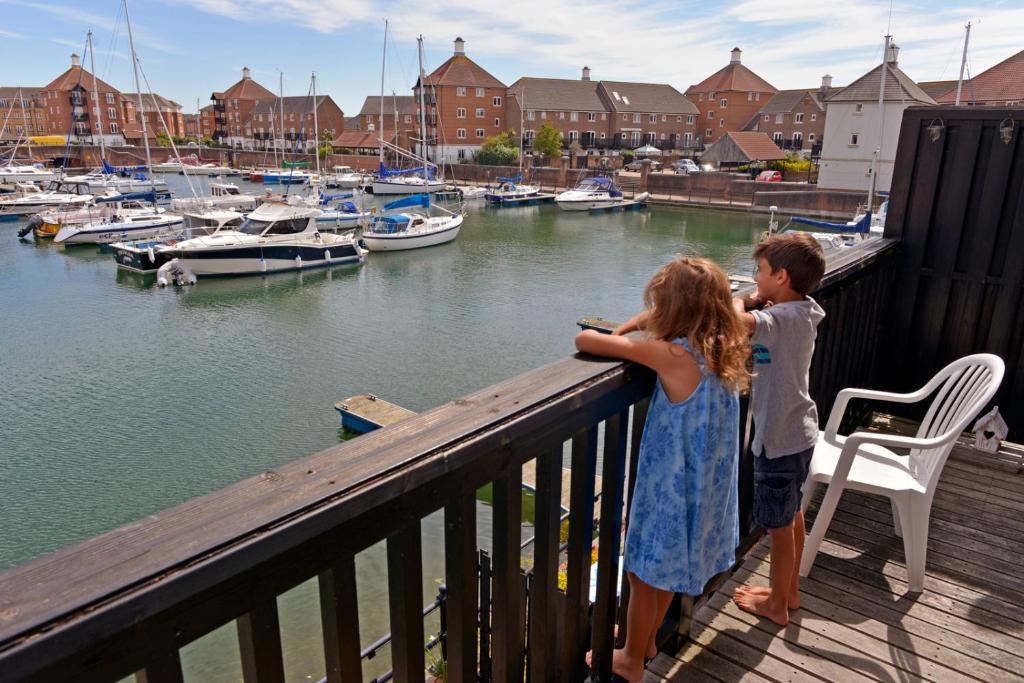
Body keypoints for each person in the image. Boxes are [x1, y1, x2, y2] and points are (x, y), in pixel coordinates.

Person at [576, 256, 749, 682]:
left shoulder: (671, 354)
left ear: (670, 309)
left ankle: (631, 661)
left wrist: (632, 324)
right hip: (704, 487)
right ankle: (646, 639)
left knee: (640, 571)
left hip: (667, 488)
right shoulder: (726, 345)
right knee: (670, 568)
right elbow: (738, 311)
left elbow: (589, 341)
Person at [732, 232, 826, 627]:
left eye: (761, 271)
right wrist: (761, 299)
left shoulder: (779, 319)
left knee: (779, 526)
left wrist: (741, 299)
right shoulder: (802, 311)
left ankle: (776, 607)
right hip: (799, 433)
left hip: (778, 440)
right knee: (793, 517)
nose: (756, 277)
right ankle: (788, 593)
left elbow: (737, 319)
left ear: (782, 276)